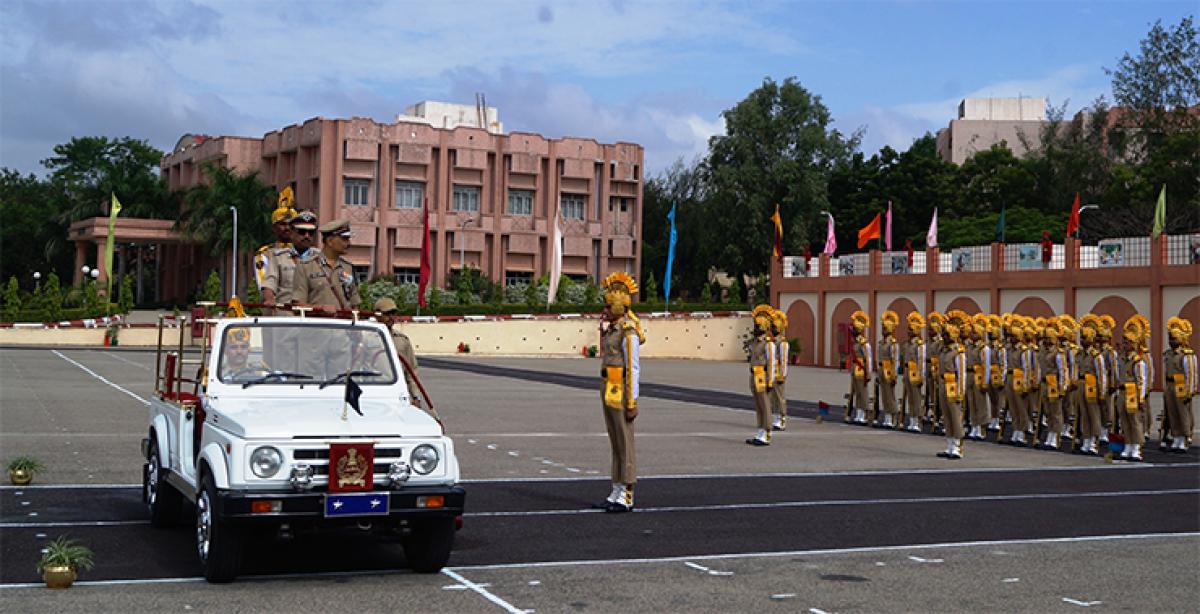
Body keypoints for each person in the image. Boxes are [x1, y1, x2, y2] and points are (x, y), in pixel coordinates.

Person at [597, 272, 643, 512]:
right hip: (609, 389)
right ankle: (615, 488)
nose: (604, 309)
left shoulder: (628, 331)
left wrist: (632, 401)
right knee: (615, 441)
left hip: (621, 392)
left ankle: (627, 492)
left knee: (625, 442)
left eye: (607, 305)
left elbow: (633, 368)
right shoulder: (613, 329)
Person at [294, 219, 361, 314]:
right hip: (316, 325)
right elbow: (298, 305)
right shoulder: (306, 266)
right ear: (330, 241)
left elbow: (354, 305)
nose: (349, 243)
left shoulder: (348, 268)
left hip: (343, 326)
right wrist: (320, 308)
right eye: (344, 239)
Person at [262, 210, 317, 312]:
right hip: (287, 318)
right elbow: (269, 284)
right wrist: (269, 299)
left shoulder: (320, 259)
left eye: (311, 232)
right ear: (292, 233)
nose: (306, 236)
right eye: (301, 232)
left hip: (313, 319)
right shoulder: (278, 258)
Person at [374, 297, 422, 409]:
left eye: (393, 314)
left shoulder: (402, 340)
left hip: (397, 393)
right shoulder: (367, 338)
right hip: (375, 391)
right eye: (387, 314)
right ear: (378, 315)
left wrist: (416, 396)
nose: (391, 317)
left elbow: (412, 371)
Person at [1118, 315, 1151, 461]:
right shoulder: (1123, 359)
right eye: (1124, 342)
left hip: (1132, 393)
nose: (1124, 345)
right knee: (1124, 420)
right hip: (1123, 392)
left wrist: (1141, 397)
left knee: (1135, 420)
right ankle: (1128, 444)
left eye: (1127, 342)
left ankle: (1136, 447)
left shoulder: (1138, 361)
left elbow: (1141, 380)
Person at [936, 311, 968, 459]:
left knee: (955, 415)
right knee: (946, 416)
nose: (944, 337)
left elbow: (961, 373)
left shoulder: (958, 353)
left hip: (953, 386)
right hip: (943, 385)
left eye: (947, 334)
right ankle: (949, 444)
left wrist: (961, 391)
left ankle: (957, 446)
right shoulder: (942, 350)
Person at [255, 187, 296, 294]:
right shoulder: (265, 253)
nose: (287, 228)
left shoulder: (306, 252)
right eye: (282, 224)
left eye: (291, 224)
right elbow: (263, 284)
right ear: (274, 227)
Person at [1164, 317, 1196, 453]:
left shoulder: (1186, 355)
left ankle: (1184, 437)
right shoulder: (1168, 354)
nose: (1172, 342)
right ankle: (1176, 436)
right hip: (1170, 385)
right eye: (1170, 339)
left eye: (1174, 339)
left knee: (1183, 413)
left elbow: (1191, 374)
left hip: (1181, 386)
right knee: (1172, 412)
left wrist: (1190, 391)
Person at [1076, 315, 1107, 455]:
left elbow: (1102, 375)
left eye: (1085, 338)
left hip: (1092, 387)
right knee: (1084, 414)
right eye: (1081, 338)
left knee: (1093, 414)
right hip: (1082, 385)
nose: (1082, 341)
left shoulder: (1096, 356)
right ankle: (1086, 439)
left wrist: (1102, 392)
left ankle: (1094, 441)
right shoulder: (1080, 354)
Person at [747, 305, 776, 445]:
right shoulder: (754, 342)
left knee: (765, 405)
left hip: (763, 376)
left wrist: (771, 381)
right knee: (758, 405)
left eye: (758, 325)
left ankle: (767, 432)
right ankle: (760, 430)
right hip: (754, 375)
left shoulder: (768, 344)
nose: (756, 328)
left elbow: (771, 364)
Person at [1005, 316, 1032, 445]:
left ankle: (1022, 432)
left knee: (1021, 406)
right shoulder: (1009, 349)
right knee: (1013, 406)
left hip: (1019, 378)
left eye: (1014, 336)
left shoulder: (1024, 351)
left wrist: (1026, 385)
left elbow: (1026, 368)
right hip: (1010, 378)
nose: (1011, 338)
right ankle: (1015, 430)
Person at [900, 311, 926, 432]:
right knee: (910, 397)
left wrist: (921, 376)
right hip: (907, 371)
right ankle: (911, 419)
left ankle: (917, 420)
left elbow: (921, 361)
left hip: (915, 373)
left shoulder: (919, 345)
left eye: (911, 330)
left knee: (916, 398)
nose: (908, 332)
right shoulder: (906, 344)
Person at [877, 310, 900, 428]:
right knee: (884, 395)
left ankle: (893, 416)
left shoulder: (893, 344)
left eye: (885, 328)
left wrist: (894, 374)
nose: (883, 330)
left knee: (890, 395)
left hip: (888, 370)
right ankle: (887, 416)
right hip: (881, 369)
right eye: (882, 328)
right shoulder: (881, 343)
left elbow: (895, 360)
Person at [770, 308, 790, 431]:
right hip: (772, 372)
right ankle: (776, 416)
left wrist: (782, 375)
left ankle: (782, 418)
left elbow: (783, 360)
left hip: (778, 373)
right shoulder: (772, 341)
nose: (773, 329)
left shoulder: (782, 343)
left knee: (780, 396)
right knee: (773, 397)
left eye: (775, 327)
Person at [926, 312, 946, 434]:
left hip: (936, 368)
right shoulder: (928, 342)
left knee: (938, 393)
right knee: (930, 390)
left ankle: (939, 415)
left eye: (932, 329)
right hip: (928, 366)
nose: (929, 331)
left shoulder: (939, 342)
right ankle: (931, 411)